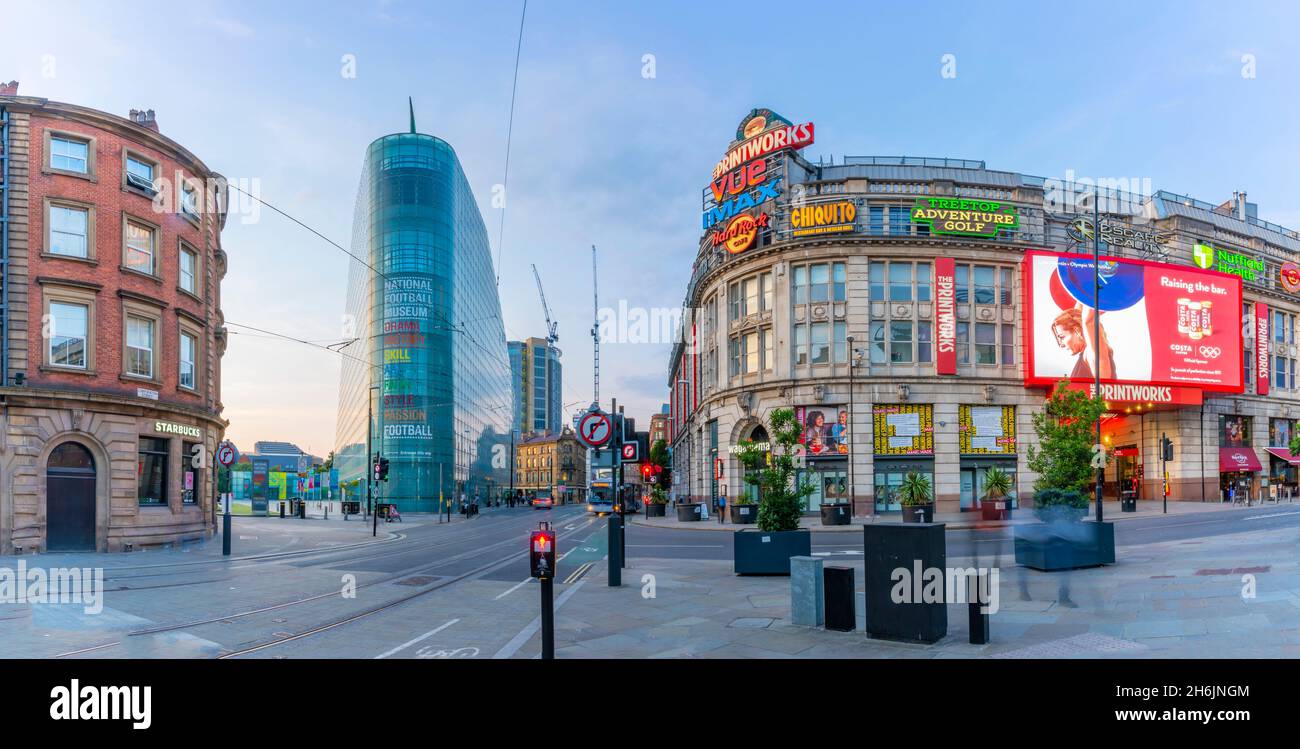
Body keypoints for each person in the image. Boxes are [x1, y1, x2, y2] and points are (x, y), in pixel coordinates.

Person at [1051, 304, 1115, 380]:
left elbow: (1088, 321)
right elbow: (1079, 311)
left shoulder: (1091, 355)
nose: (1061, 345)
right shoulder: (1086, 357)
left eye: (1062, 337)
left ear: (1077, 330)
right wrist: (1081, 294)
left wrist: (1090, 294)